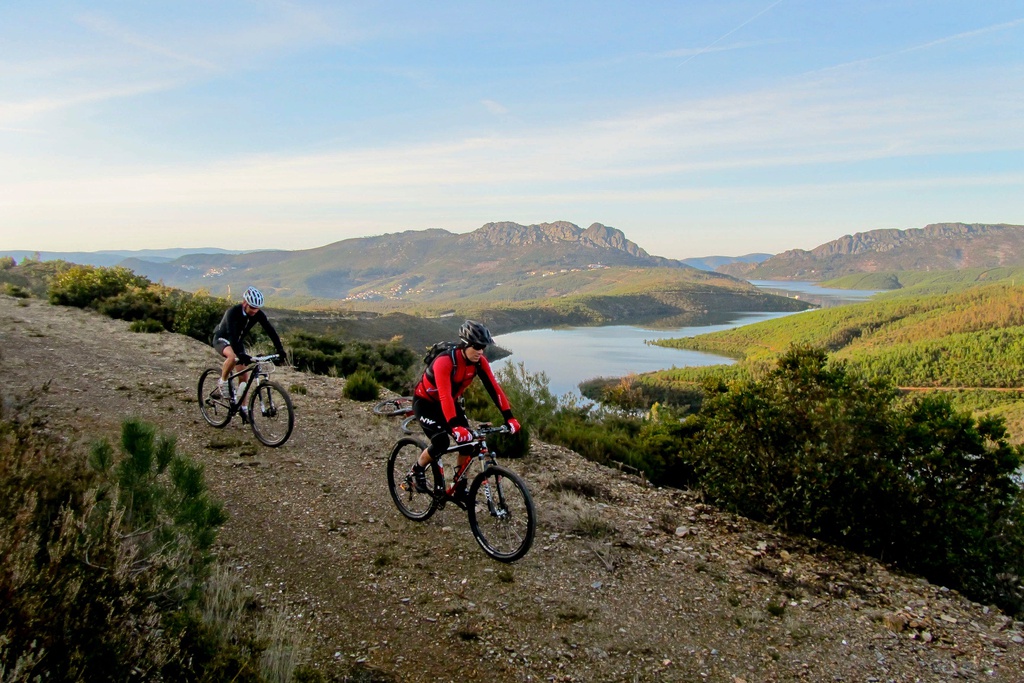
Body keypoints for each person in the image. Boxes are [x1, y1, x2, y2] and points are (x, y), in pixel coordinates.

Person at [411, 319, 520, 498]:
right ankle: (418, 470)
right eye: (476, 346)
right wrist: (455, 426)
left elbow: (495, 389)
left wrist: (509, 417)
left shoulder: (479, 362)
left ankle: (459, 485)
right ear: (465, 344)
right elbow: (444, 395)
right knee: (441, 442)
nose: (480, 351)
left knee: (468, 445)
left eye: (483, 347)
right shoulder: (444, 362)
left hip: (449, 403)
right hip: (426, 403)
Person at [211, 286, 287, 406]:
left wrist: (280, 349)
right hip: (222, 339)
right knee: (232, 357)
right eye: (252, 307)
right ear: (245, 303)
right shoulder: (232, 312)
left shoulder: (258, 314)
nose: (254, 311)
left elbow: (270, 331)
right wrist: (240, 354)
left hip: (237, 341)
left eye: (257, 308)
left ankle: (244, 408)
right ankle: (222, 381)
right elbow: (232, 334)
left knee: (244, 377)